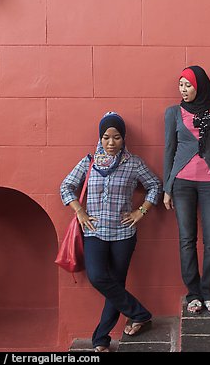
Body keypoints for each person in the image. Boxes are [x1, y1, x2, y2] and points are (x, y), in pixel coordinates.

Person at [60, 112, 162, 352]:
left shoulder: (133, 163)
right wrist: (80, 212)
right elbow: (66, 186)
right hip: (94, 232)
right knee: (98, 277)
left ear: (123, 138)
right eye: (106, 137)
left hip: (123, 234)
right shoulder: (89, 162)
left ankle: (101, 339)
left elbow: (155, 185)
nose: (111, 142)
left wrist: (141, 211)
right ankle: (140, 313)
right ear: (100, 138)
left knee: (116, 283)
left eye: (116, 137)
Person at [163, 65, 210, 315]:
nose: (183, 90)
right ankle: (193, 293)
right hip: (181, 183)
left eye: (188, 85)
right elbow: (168, 151)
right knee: (187, 240)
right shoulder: (172, 113)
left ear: (200, 85)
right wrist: (167, 187)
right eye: (181, 85)